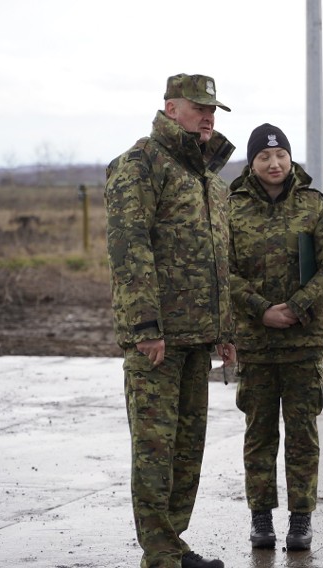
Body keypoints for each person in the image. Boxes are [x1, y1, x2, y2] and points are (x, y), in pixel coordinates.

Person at [104, 73, 236, 568]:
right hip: (158, 339)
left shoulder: (206, 178)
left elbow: (218, 259)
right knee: (155, 450)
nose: (207, 116)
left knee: (187, 449)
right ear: (170, 107)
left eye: (213, 109)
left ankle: (172, 543)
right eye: (198, 107)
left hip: (198, 338)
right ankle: (159, 553)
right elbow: (128, 247)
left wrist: (225, 333)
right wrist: (145, 326)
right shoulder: (141, 164)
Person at [227, 123, 323, 551]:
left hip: (303, 342)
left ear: (290, 158)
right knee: (258, 434)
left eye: (280, 156)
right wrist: (262, 310)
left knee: (302, 435)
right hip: (256, 344)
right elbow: (223, 272)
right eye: (264, 157)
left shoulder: (313, 205)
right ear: (252, 162)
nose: (274, 163)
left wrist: (296, 308)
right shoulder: (232, 209)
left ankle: (301, 519)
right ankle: (261, 518)